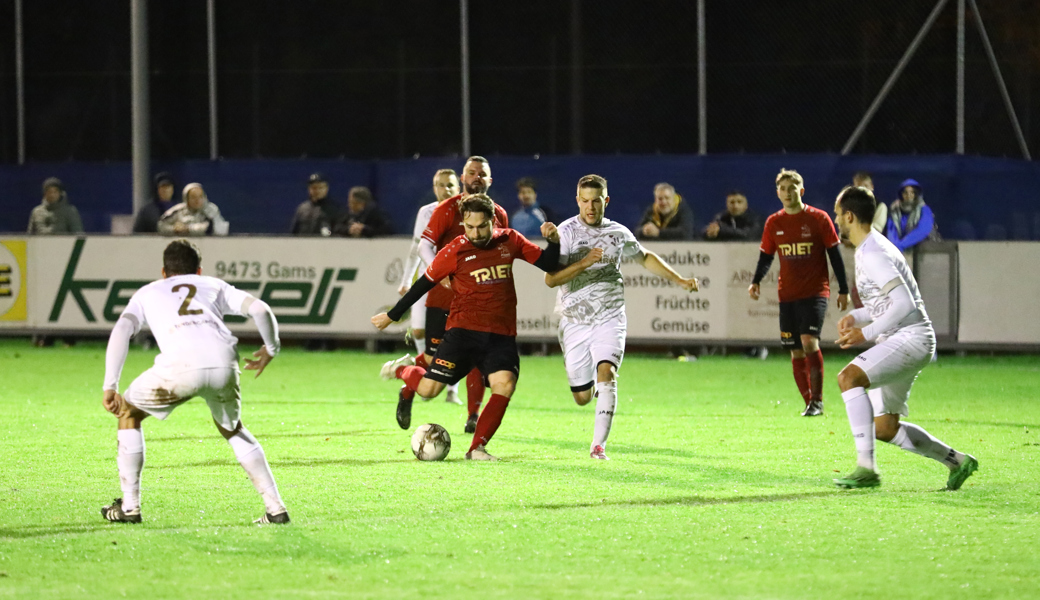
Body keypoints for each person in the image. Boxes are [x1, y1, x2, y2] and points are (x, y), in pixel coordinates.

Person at [99, 240, 289, 524]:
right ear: (198, 270)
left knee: (128, 413)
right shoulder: (214, 285)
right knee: (233, 429)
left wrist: (110, 384)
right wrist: (271, 349)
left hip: (180, 366)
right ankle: (276, 510)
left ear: (164, 272)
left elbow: (122, 329)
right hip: (224, 362)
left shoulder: (148, 292)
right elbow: (260, 310)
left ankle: (130, 508)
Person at [371, 194, 561, 461]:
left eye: (481, 226)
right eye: (469, 227)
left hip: (500, 335)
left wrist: (553, 241)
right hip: (463, 334)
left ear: (493, 221)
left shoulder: (511, 240)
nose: (475, 233)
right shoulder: (454, 250)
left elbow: (549, 264)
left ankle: (476, 448)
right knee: (428, 391)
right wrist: (392, 315)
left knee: (504, 384)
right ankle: (401, 369)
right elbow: (423, 285)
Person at [831, 185, 977, 489]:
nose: (835, 219)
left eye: (837, 214)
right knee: (884, 428)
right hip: (904, 339)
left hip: (910, 338)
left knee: (848, 378)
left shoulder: (874, 253)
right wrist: (856, 317)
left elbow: (904, 304)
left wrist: (865, 332)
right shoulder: (868, 249)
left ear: (849, 216)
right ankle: (958, 461)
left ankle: (866, 468)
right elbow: (883, 304)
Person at [546, 175, 699, 460]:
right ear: (577, 201)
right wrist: (584, 262)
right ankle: (590, 386)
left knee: (608, 373)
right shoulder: (564, 232)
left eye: (596, 201)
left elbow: (644, 256)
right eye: (585, 201)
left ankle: (598, 446)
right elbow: (551, 280)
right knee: (581, 398)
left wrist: (679, 280)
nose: (590, 207)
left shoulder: (618, 233)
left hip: (610, 317)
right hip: (574, 321)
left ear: (606, 201)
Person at [414, 156, 510, 434]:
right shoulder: (447, 209)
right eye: (471, 172)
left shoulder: (499, 214)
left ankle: (472, 416)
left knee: (476, 360)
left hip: (479, 302)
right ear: (463, 177)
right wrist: (440, 273)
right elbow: (424, 246)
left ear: (489, 180)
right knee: (435, 369)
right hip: (444, 300)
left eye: (482, 173)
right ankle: (408, 377)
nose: (477, 177)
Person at [749, 169, 849, 417]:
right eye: (783, 189)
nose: (787, 193)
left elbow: (834, 255)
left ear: (801, 191)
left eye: (792, 188)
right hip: (787, 294)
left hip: (816, 292)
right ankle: (809, 403)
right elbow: (766, 256)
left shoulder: (819, 218)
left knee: (809, 342)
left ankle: (817, 401)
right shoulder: (774, 222)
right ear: (777, 193)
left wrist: (843, 289)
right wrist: (756, 281)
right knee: (795, 349)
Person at [397, 168, 463, 405]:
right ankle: (424, 377)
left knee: (453, 336)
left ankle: (451, 390)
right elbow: (417, 247)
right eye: (439, 185)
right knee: (418, 331)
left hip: (453, 284)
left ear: (458, 187)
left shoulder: (464, 210)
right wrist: (406, 280)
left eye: (449, 185)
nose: (444, 189)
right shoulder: (425, 212)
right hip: (428, 281)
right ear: (433, 188)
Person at [158, 183, 229, 236]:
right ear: (186, 199)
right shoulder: (177, 210)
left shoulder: (211, 210)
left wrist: (187, 229)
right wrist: (174, 229)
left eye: (200, 197)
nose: (197, 200)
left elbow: (212, 228)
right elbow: (161, 225)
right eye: (193, 197)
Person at [886, 178, 938, 252]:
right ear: (901, 195)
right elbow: (891, 232)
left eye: (912, 192)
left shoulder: (924, 210)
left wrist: (901, 245)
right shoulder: (895, 212)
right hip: (901, 252)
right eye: (905, 192)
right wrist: (894, 247)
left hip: (927, 252)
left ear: (916, 194)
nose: (909, 195)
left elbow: (923, 230)